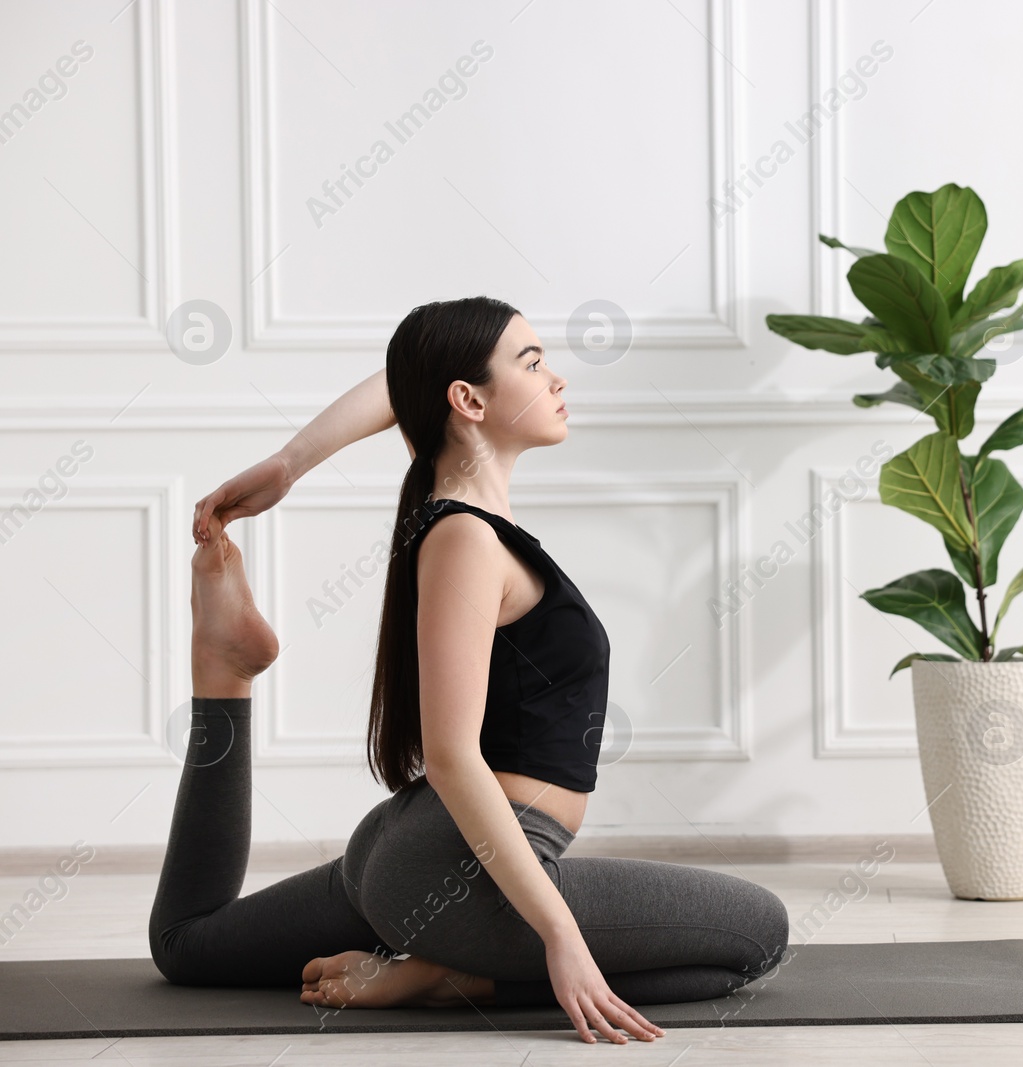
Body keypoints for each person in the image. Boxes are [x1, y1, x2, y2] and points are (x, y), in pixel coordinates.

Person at [149, 296, 789, 1045]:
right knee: (761, 934)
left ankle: (222, 672)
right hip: (455, 874)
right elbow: (452, 756)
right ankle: (447, 976)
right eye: (533, 361)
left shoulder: (455, 521)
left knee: (189, 943)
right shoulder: (465, 538)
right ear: (470, 400)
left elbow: (410, 380)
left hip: (409, 853)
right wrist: (559, 934)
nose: (557, 378)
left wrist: (290, 465)